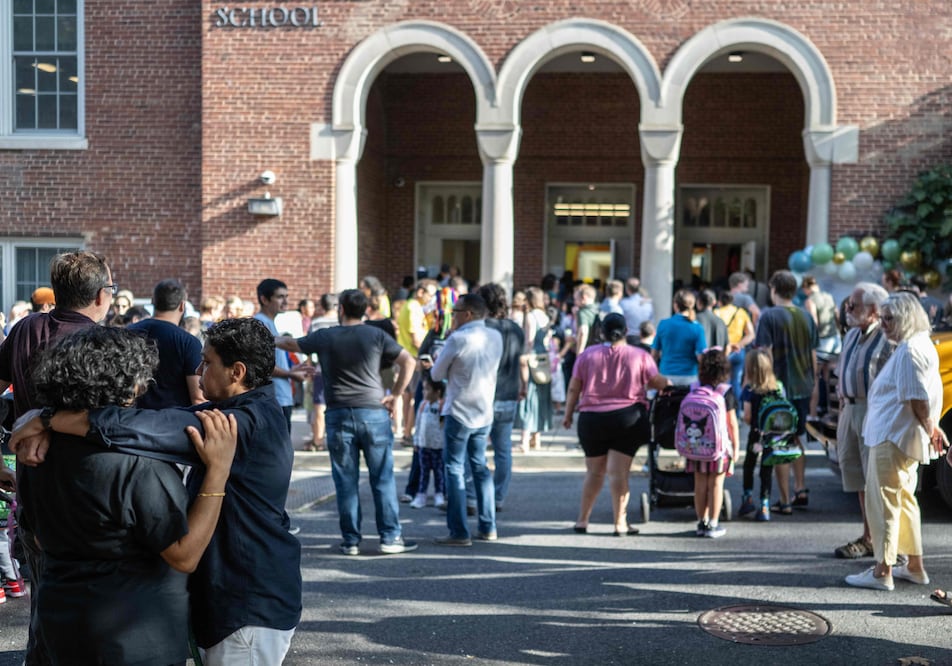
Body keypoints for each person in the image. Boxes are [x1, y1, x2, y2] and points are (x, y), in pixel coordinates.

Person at [14, 317, 305, 663]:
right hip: (224, 601)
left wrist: (47, 419)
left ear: (236, 372)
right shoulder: (233, 411)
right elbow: (165, 421)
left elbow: (154, 426)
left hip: (248, 604)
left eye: (207, 362)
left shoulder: (244, 423)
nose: (197, 370)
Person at [0, 250, 114, 665]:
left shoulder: (25, 328)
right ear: (102, 295)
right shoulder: (104, 343)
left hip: (35, 491)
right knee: (82, 611)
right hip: (89, 497)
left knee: (45, 603)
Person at [278, 289, 417, 555]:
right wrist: (396, 395)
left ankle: (351, 540)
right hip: (374, 412)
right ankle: (390, 537)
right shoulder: (376, 335)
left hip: (338, 413)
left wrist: (264, 336)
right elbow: (408, 361)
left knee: (345, 481)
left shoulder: (327, 335)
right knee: (382, 478)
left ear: (341, 308)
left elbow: (290, 344)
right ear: (365, 309)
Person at [845, 292, 948, 591]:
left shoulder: (908, 351)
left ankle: (882, 570)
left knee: (885, 504)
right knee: (903, 502)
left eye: (889, 318)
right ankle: (913, 566)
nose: (884, 324)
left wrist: (932, 428)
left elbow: (916, 398)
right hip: (899, 436)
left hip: (892, 436)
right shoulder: (920, 345)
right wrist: (932, 428)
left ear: (905, 318)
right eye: (883, 317)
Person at [563, 313, 667, 536]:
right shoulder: (639, 355)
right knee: (619, 474)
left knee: (594, 472)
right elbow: (656, 381)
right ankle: (620, 523)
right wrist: (667, 382)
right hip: (627, 418)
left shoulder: (587, 355)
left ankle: (582, 520)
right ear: (626, 331)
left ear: (601, 332)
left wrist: (568, 414)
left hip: (592, 419)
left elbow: (574, 388)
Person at [430, 293, 503, 546]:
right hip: (484, 411)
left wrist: (435, 364)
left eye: (456, 311)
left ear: (468, 314)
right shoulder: (496, 335)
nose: (452, 315)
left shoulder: (458, 338)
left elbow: (437, 374)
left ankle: (459, 531)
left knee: (454, 469)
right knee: (481, 468)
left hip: (459, 410)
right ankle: (488, 526)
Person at [833, 282, 891, 559]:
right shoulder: (851, 335)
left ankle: (883, 543)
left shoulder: (886, 337)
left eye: (854, 305)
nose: (848, 309)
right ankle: (868, 537)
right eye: (848, 304)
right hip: (850, 409)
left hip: (873, 411)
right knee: (856, 475)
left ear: (873, 310)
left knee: (874, 479)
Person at [754, 270, 817, 513]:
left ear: (773, 289)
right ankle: (800, 488)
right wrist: (813, 387)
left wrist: (763, 385)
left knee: (778, 439)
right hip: (803, 385)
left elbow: (765, 353)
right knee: (797, 437)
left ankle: (784, 499)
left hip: (777, 388)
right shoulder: (806, 316)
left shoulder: (768, 316)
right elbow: (813, 354)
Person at [478, 283, 526, 511]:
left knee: (475, 448)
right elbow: (522, 360)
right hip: (509, 393)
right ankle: (498, 496)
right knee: (503, 448)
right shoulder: (516, 328)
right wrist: (524, 384)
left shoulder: (482, 327)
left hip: (484, 394)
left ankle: (472, 495)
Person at [682, 349, 739, 538]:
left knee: (699, 484)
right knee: (716, 484)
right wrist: (736, 448)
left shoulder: (693, 388)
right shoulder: (725, 391)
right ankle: (713, 524)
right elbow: (731, 423)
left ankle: (702, 521)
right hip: (719, 448)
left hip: (696, 446)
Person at [129, 278, 205, 408]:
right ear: (182, 306)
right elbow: (198, 398)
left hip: (130, 418)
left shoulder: (126, 333)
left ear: (153, 301)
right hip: (175, 422)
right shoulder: (188, 342)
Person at [254, 279, 311, 434]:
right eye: (280, 297)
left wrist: (293, 368)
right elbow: (260, 364)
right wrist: (290, 374)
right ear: (264, 299)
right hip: (273, 398)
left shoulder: (270, 323)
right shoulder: (260, 324)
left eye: (286, 296)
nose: (285, 301)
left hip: (281, 396)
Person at [739, 348, 784, 522]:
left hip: (756, 435)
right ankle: (765, 504)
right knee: (767, 468)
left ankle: (747, 498)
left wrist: (751, 421)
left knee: (749, 464)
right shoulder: (777, 387)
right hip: (772, 436)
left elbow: (748, 416)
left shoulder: (750, 390)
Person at [517, 286, 554, 453]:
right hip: (544, 359)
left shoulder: (530, 316)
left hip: (531, 358)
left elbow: (529, 340)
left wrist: (523, 355)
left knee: (528, 397)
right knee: (541, 397)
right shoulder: (545, 316)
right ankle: (536, 439)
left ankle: (524, 441)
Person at [652, 289, 707, 385]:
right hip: (689, 376)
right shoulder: (697, 327)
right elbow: (701, 357)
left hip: (666, 374)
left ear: (675, 305)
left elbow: (654, 354)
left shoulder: (663, 324)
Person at [715, 289, 755, 414]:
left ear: (719, 301)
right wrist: (739, 344)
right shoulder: (741, 312)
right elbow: (751, 334)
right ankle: (737, 414)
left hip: (723, 352)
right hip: (738, 351)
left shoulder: (716, 312)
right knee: (736, 383)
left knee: (722, 383)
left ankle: (723, 413)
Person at [409, 377, 446, 509]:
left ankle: (439, 494)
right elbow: (418, 424)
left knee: (438, 472)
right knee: (423, 472)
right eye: (424, 389)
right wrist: (416, 441)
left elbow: (444, 427)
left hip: (438, 447)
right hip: (424, 445)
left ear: (438, 392)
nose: (424, 392)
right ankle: (421, 495)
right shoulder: (422, 405)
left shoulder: (442, 407)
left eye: (427, 389)